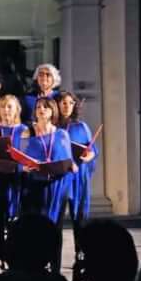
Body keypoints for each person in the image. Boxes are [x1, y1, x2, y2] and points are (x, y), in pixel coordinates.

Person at [22, 97, 74, 273]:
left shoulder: (62, 134)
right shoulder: (27, 133)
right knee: (36, 229)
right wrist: (24, 167)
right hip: (35, 185)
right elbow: (20, 158)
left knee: (55, 228)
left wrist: (72, 165)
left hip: (57, 186)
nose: (41, 109)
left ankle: (55, 269)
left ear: (53, 111)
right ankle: (36, 267)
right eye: (38, 107)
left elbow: (68, 160)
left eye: (46, 107)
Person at [0, 94, 30, 269]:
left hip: (17, 179)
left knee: (15, 220)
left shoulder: (24, 130)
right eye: (3, 107)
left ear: (17, 109)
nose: (6, 110)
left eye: (10, 106)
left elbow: (27, 154)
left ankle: (14, 256)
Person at [57, 91, 98, 256]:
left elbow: (92, 149)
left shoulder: (81, 126)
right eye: (63, 102)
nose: (67, 106)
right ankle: (53, 258)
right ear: (57, 105)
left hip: (78, 175)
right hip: (59, 176)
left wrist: (89, 155)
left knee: (79, 218)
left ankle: (81, 256)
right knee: (56, 218)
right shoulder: (53, 126)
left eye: (70, 103)